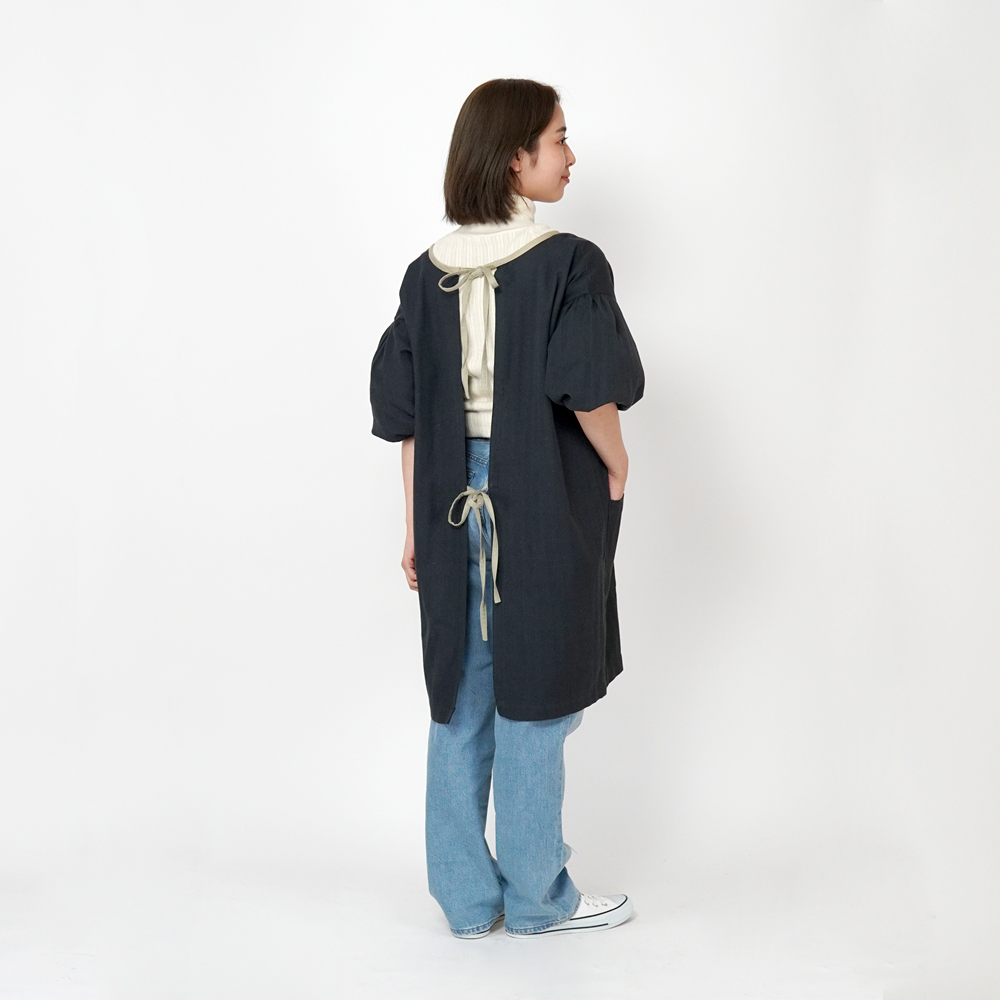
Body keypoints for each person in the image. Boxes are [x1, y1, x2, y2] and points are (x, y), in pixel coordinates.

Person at [369, 78, 644, 938]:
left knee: (461, 696)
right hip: (541, 487)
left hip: (448, 498)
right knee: (537, 695)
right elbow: (587, 387)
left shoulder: (425, 274)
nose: (571, 155)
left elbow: (410, 418)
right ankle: (536, 898)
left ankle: (465, 901)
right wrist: (619, 461)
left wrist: (416, 527)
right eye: (559, 139)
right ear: (516, 156)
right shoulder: (569, 262)